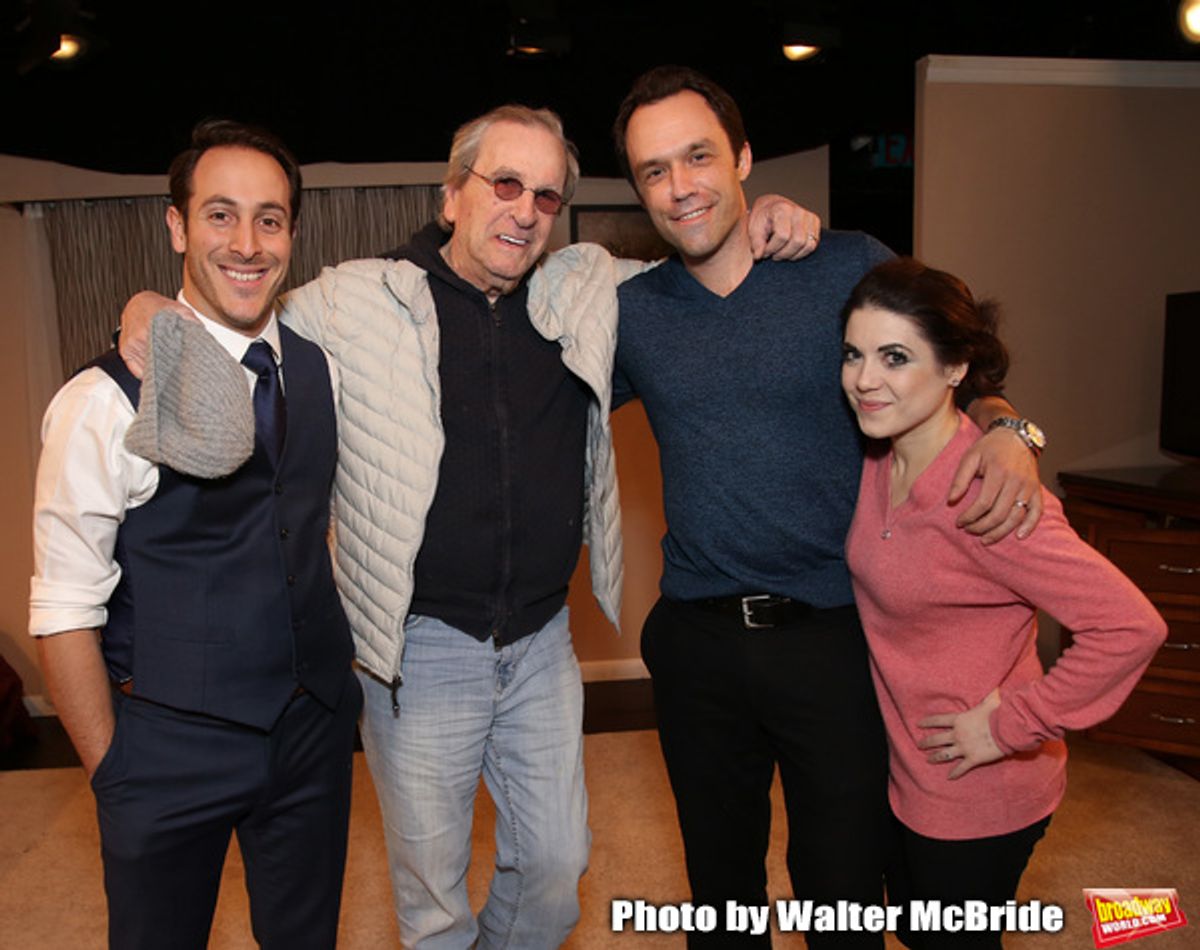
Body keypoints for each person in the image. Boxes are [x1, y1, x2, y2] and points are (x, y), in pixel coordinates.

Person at [114, 104, 821, 949]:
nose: (526, 210)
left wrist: (768, 212)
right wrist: (154, 303)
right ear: (453, 196)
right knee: (435, 903)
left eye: (548, 197)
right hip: (418, 652)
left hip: (540, 641)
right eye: (506, 184)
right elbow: (239, 301)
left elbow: (702, 272)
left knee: (558, 873)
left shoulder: (586, 289)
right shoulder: (353, 300)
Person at [610, 66, 1045, 947]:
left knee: (841, 893)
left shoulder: (845, 264)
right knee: (720, 897)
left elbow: (966, 368)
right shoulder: (628, 312)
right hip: (698, 640)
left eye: (698, 156)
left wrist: (1014, 432)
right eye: (654, 170)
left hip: (838, 638)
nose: (680, 185)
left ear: (742, 157)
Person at [29, 120, 360, 949]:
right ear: (177, 226)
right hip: (169, 749)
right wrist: (117, 775)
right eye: (220, 215)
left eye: (270, 219)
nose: (247, 243)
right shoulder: (102, 401)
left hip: (311, 732)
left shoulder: (314, 367)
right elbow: (65, 605)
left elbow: (299, 526)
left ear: (292, 232)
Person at [840, 257, 1166, 949]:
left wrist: (1014, 723)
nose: (865, 379)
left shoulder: (991, 497)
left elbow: (1130, 625)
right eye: (854, 354)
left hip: (977, 791)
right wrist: (1012, 425)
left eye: (895, 357)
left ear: (956, 368)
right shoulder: (878, 457)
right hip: (906, 768)